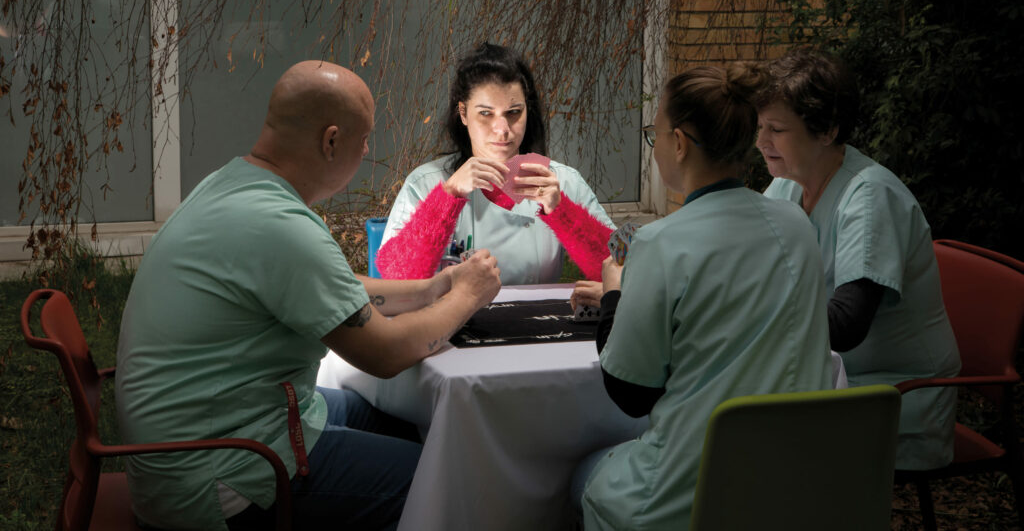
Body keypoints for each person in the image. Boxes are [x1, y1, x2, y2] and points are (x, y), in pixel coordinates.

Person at [115, 60, 501, 530]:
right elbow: (384, 354)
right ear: (331, 140)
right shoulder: (280, 225)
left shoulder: (233, 185)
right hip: (220, 475)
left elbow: (329, 285)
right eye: (364, 139)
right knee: (446, 480)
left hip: (203, 438)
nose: (366, 151)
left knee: (402, 421)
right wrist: (467, 295)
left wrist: (431, 288)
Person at [574, 64, 833, 531]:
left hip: (686, 497)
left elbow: (630, 393)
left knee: (579, 474)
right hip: (791, 486)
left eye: (653, 137)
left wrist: (615, 292)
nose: (655, 149)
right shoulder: (796, 226)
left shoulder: (660, 244)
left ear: (678, 143)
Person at [755, 47, 960, 471]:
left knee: (741, 434)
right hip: (827, 378)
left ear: (828, 130)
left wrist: (741, 320)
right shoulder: (787, 186)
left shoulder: (869, 197)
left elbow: (847, 324)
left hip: (894, 396)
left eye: (776, 129)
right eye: (759, 127)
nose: (761, 142)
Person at [376, 42, 614, 304]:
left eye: (513, 113)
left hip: (537, 322)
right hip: (450, 325)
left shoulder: (561, 181)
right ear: (463, 113)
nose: (502, 129)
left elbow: (619, 271)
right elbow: (396, 281)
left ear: (527, 111)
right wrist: (448, 198)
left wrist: (562, 212)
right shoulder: (427, 183)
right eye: (486, 113)